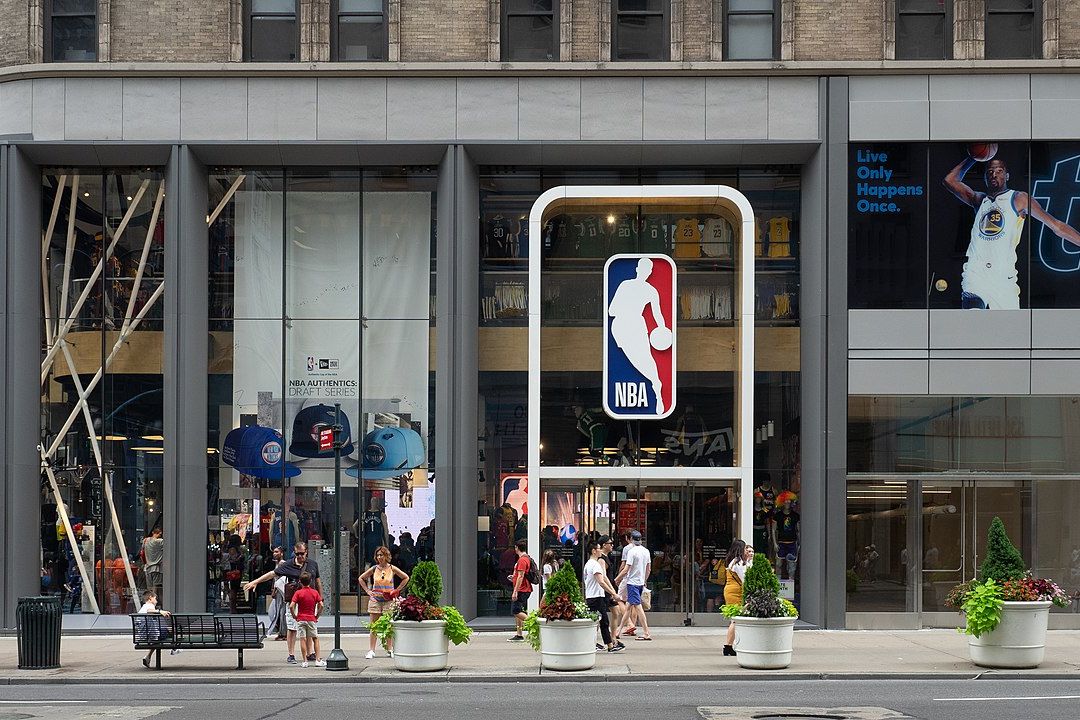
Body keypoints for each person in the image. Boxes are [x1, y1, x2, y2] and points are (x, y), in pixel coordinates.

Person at [944, 150, 1080, 309]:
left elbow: (1056, 226)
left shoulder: (1018, 198)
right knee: (973, 322)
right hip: (976, 274)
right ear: (986, 178)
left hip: (1004, 278)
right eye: (990, 172)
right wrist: (974, 157)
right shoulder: (979, 200)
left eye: (999, 171)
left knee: (1011, 331)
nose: (994, 174)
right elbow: (950, 180)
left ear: (1007, 176)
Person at [607, 256, 670, 415]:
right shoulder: (628, 286)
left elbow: (658, 315)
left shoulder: (649, 290)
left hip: (633, 324)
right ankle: (656, 383)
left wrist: (662, 329)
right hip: (622, 326)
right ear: (641, 270)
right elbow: (611, 311)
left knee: (645, 358)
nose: (645, 273)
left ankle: (656, 386)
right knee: (639, 359)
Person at [245, 541, 322, 665]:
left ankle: (310, 653)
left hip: (309, 601)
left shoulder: (312, 564)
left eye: (302, 554)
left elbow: (318, 581)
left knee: (309, 628)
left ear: (306, 551)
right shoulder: (289, 564)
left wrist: (320, 598)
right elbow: (271, 574)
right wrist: (255, 582)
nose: (300, 556)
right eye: (297, 554)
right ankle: (291, 654)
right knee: (292, 628)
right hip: (294, 600)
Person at [358, 545, 410, 660]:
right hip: (375, 599)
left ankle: (390, 649)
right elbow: (361, 578)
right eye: (378, 555)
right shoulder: (374, 568)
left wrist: (397, 590)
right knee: (374, 625)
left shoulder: (392, 568)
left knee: (389, 625)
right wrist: (368, 591)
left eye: (381, 555)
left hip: (388, 599)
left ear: (386, 556)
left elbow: (405, 577)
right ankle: (372, 650)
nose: (379, 557)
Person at [584, 539, 624, 653]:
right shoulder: (595, 565)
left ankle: (596, 643)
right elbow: (601, 582)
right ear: (593, 551)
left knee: (595, 621)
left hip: (591, 596)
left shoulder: (588, 564)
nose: (600, 551)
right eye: (598, 549)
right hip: (597, 596)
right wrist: (613, 593)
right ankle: (610, 645)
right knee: (604, 622)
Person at [614, 530, 652, 641]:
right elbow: (648, 569)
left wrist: (617, 578)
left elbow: (626, 569)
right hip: (640, 582)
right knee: (628, 607)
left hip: (632, 583)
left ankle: (646, 632)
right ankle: (619, 630)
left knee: (638, 607)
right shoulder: (646, 551)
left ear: (631, 539)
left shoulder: (632, 551)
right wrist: (644, 580)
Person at [288, 572, 325, 668]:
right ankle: (317, 659)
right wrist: (317, 615)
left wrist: (294, 615)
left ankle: (304, 661)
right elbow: (321, 605)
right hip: (311, 618)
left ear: (300, 582)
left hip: (300, 618)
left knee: (302, 639)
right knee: (315, 638)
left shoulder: (298, 593)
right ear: (311, 581)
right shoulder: (314, 592)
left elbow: (291, 605)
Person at [723, 540, 752, 657]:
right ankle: (728, 647)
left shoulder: (735, 561)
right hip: (735, 592)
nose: (747, 550)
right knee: (736, 619)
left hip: (733, 590)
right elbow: (744, 578)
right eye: (745, 548)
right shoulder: (738, 562)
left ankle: (730, 646)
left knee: (735, 619)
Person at [137, 590, 174, 668]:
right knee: (170, 629)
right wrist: (160, 611)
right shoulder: (149, 606)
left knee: (158, 637)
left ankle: (148, 657)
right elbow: (149, 611)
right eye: (155, 598)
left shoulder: (143, 607)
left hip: (144, 635)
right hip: (150, 634)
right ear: (150, 598)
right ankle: (174, 647)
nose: (156, 601)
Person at [507, 539, 533, 642]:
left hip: (522, 589)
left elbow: (521, 576)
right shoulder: (525, 558)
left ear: (517, 548)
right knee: (519, 611)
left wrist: (515, 591)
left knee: (516, 611)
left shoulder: (522, 560)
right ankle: (519, 634)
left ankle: (534, 625)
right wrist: (513, 577)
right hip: (523, 588)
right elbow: (519, 576)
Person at [263, 546, 286, 640]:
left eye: (277, 552)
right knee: (274, 611)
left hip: (281, 591)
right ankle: (281, 631)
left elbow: (281, 580)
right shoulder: (277, 564)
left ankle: (283, 633)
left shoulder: (282, 564)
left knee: (280, 612)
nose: (274, 553)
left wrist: (274, 591)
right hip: (277, 591)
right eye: (274, 552)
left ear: (281, 553)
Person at [141, 526, 164, 600]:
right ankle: (153, 603)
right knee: (155, 587)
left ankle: (148, 602)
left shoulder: (145, 541)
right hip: (156, 568)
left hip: (147, 568)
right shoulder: (160, 542)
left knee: (149, 588)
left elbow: (142, 553)